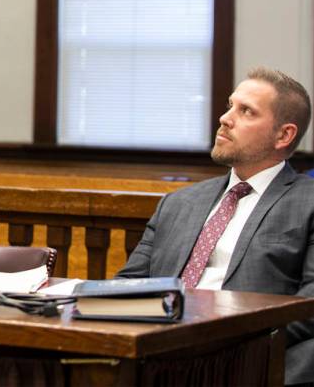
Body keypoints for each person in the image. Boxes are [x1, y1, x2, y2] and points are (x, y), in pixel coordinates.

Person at [117, 67, 314, 385]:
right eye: (230, 106)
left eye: (246, 111)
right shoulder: (178, 203)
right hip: (160, 353)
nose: (225, 118)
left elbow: (311, 304)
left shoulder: (308, 202)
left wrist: (229, 343)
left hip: (250, 358)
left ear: (284, 135)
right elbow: (129, 284)